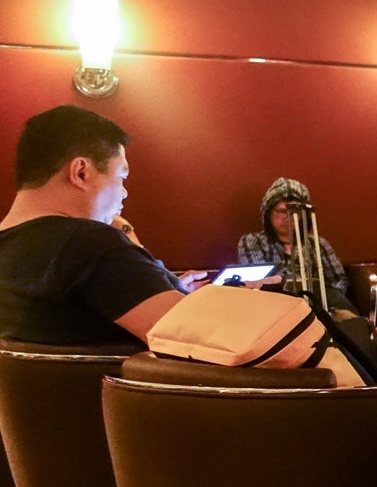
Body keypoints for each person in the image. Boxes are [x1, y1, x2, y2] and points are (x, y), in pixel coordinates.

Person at [0, 105, 207, 346]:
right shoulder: (88, 243)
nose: (124, 192)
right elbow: (205, 337)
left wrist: (162, 286)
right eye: (121, 177)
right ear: (81, 172)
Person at [237, 177, 350, 303]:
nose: (287, 217)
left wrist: (325, 302)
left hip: (319, 306)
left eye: (294, 212)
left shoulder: (318, 244)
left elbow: (338, 280)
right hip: (275, 307)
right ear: (268, 212)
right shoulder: (253, 242)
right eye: (281, 211)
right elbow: (262, 284)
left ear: (303, 215)